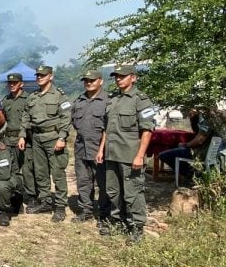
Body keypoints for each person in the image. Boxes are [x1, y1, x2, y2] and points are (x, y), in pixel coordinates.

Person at [97, 65, 155, 243]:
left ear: (133, 78)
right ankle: (118, 220)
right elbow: (107, 128)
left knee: (133, 192)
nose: (118, 79)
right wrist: (101, 150)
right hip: (111, 154)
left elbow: (147, 130)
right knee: (113, 191)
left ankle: (136, 226)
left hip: (130, 155)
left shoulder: (141, 100)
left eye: (122, 76)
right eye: (116, 76)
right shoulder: (113, 100)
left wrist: (139, 155)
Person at [19, 65, 71, 222]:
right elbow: (26, 116)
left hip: (53, 138)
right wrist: (22, 135)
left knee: (57, 172)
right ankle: (46, 201)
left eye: (43, 75)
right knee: (40, 172)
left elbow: (66, 118)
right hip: (36, 138)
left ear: (51, 76)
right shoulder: (33, 96)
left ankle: (60, 206)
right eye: (38, 75)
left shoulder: (59, 96)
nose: (39, 77)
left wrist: (62, 137)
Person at [71, 69, 110, 223]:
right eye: (86, 80)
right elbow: (74, 122)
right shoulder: (79, 101)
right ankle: (85, 210)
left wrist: (102, 147)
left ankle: (104, 213)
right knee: (83, 180)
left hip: (99, 146)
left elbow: (108, 127)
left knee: (103, 181)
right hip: (81, 145)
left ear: (101, 81)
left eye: (92, 80)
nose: (88, 83)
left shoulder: (108, 100)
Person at [0, 72, 36, 208]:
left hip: (25, 139)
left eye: (14, 83)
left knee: (27, 169)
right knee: (11, 169)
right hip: (9, 139)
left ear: (21, 84)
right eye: (10, 83)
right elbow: (2, 118)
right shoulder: (6, 100)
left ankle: (31, 195)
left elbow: (31, 119)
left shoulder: (29, 98)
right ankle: (15, 193)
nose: (12, 85)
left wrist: (25, 136)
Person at [158, 107, 213, 182]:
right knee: (177, 150)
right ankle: (191, 174)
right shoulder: (209, 119)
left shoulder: (206, 121)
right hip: (202, 152)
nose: (189, 113)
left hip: (200, 153)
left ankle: (191, 175)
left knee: (163, 155)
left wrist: (185, 145)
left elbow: (199, 140)